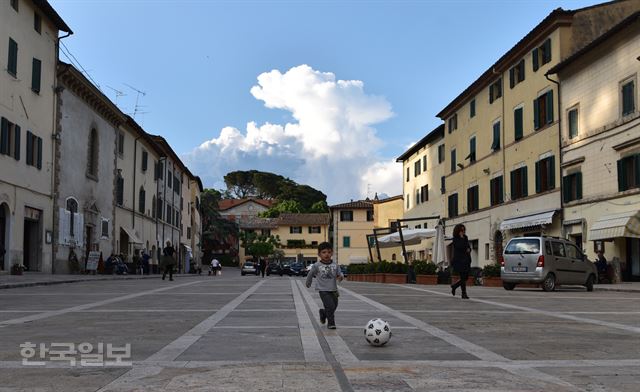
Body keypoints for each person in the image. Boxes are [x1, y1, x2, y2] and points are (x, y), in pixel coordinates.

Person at [305, 242, 344, 329]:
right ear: (319, 254)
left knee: (334, 306)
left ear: (332, 253)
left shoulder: (335, 265)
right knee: (329, 306)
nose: (327, 254)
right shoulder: (317, 265)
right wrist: (308, 282)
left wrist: (341, 277)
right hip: (323, 290)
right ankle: (331, 323)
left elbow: (340, 273)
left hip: (333, 290)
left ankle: (323, 313)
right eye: (324, 252)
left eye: (329, 252)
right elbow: (310, 274)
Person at [450, 224, 471, 299]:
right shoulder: (455, 239)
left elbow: (468, 246)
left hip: (466, 260)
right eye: (461, 230)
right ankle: (463, 294)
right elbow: (460, 247)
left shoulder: (466, 237)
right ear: (458, 231)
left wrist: (469, 249)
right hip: (459, 260)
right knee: (462, 277)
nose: (463, 232)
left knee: (466, 277)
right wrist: (462, 239)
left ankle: (454, 286)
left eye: (464, 230)